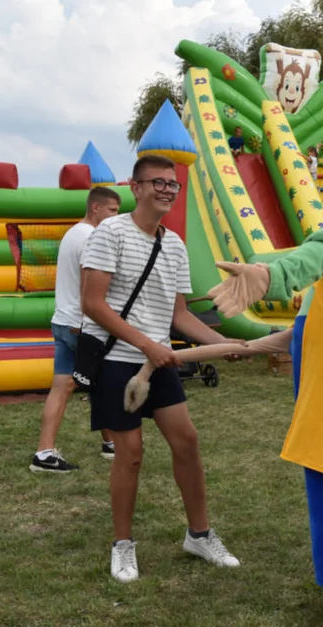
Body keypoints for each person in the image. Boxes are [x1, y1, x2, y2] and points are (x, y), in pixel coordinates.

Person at [81, 154, 246, 582]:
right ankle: (122, 545)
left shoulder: (173, 244)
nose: (167, 190)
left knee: (187, 441)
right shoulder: (109, 233)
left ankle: (199, 534)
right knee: (130, 455)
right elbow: (93, 304)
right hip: (118, 360)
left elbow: (180, 317)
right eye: (158, 182)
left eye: (173, 184)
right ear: (135, 188)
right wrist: (147, 345)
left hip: (159, 362)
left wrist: (223, 343)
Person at [30, 187, 122, 473]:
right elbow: (89, 287)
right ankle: (112, 443)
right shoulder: (91, 237)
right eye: (112, 211)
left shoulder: (72, 233)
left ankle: (46, 453)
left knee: (66, 386)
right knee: (105, 383)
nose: (114, 218)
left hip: (63, 320)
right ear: (95, 208)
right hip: (81, 325)